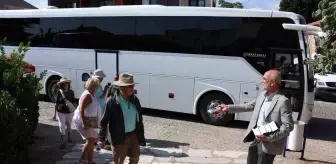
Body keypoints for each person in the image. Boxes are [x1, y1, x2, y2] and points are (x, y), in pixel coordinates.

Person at [217, 69, 294, 164]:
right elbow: (249, 106)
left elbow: (288, 126)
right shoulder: (262, 95)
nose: (262, 81)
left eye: (265, 79)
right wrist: (228, 107)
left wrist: (270, 138)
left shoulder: (283, 101)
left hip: (269, 143)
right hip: (256, 137)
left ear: (273, 83)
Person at [98, 73, 146, 164]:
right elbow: (103, 121)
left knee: (135, 158)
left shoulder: (135, 100)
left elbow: (139, 118)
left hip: (133, 136)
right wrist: (101, 138)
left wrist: (140, 133)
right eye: (130, 86)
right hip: (119, 137)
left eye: (133, 85)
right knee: (119, 161)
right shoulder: (111, 102)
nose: (133, 88)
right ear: (122, 88)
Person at [73, 76, 102, 164]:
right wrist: (83, 123)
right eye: (97, 85)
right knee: (90, 141)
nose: (97, 87)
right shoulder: (87, 96)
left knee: (91, 141)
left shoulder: (91, 94)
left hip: (91, 121)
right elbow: (81, 109)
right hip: (85, 121)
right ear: (93, 86)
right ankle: (82, 160)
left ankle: (90, 161)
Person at [55, 77, 77, 149]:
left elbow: (73, 101)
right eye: (64, 83)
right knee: (61, 125)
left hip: (69, 112)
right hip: (61, 111)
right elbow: (57, 103)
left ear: (68, 84)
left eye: (66, 83)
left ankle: (69, 137)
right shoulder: (59, 92)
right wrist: (54, 114)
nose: (65, 84)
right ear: (61, 84)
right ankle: (62, 141)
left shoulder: (71, 92)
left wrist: (77, 110)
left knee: (69, 124)